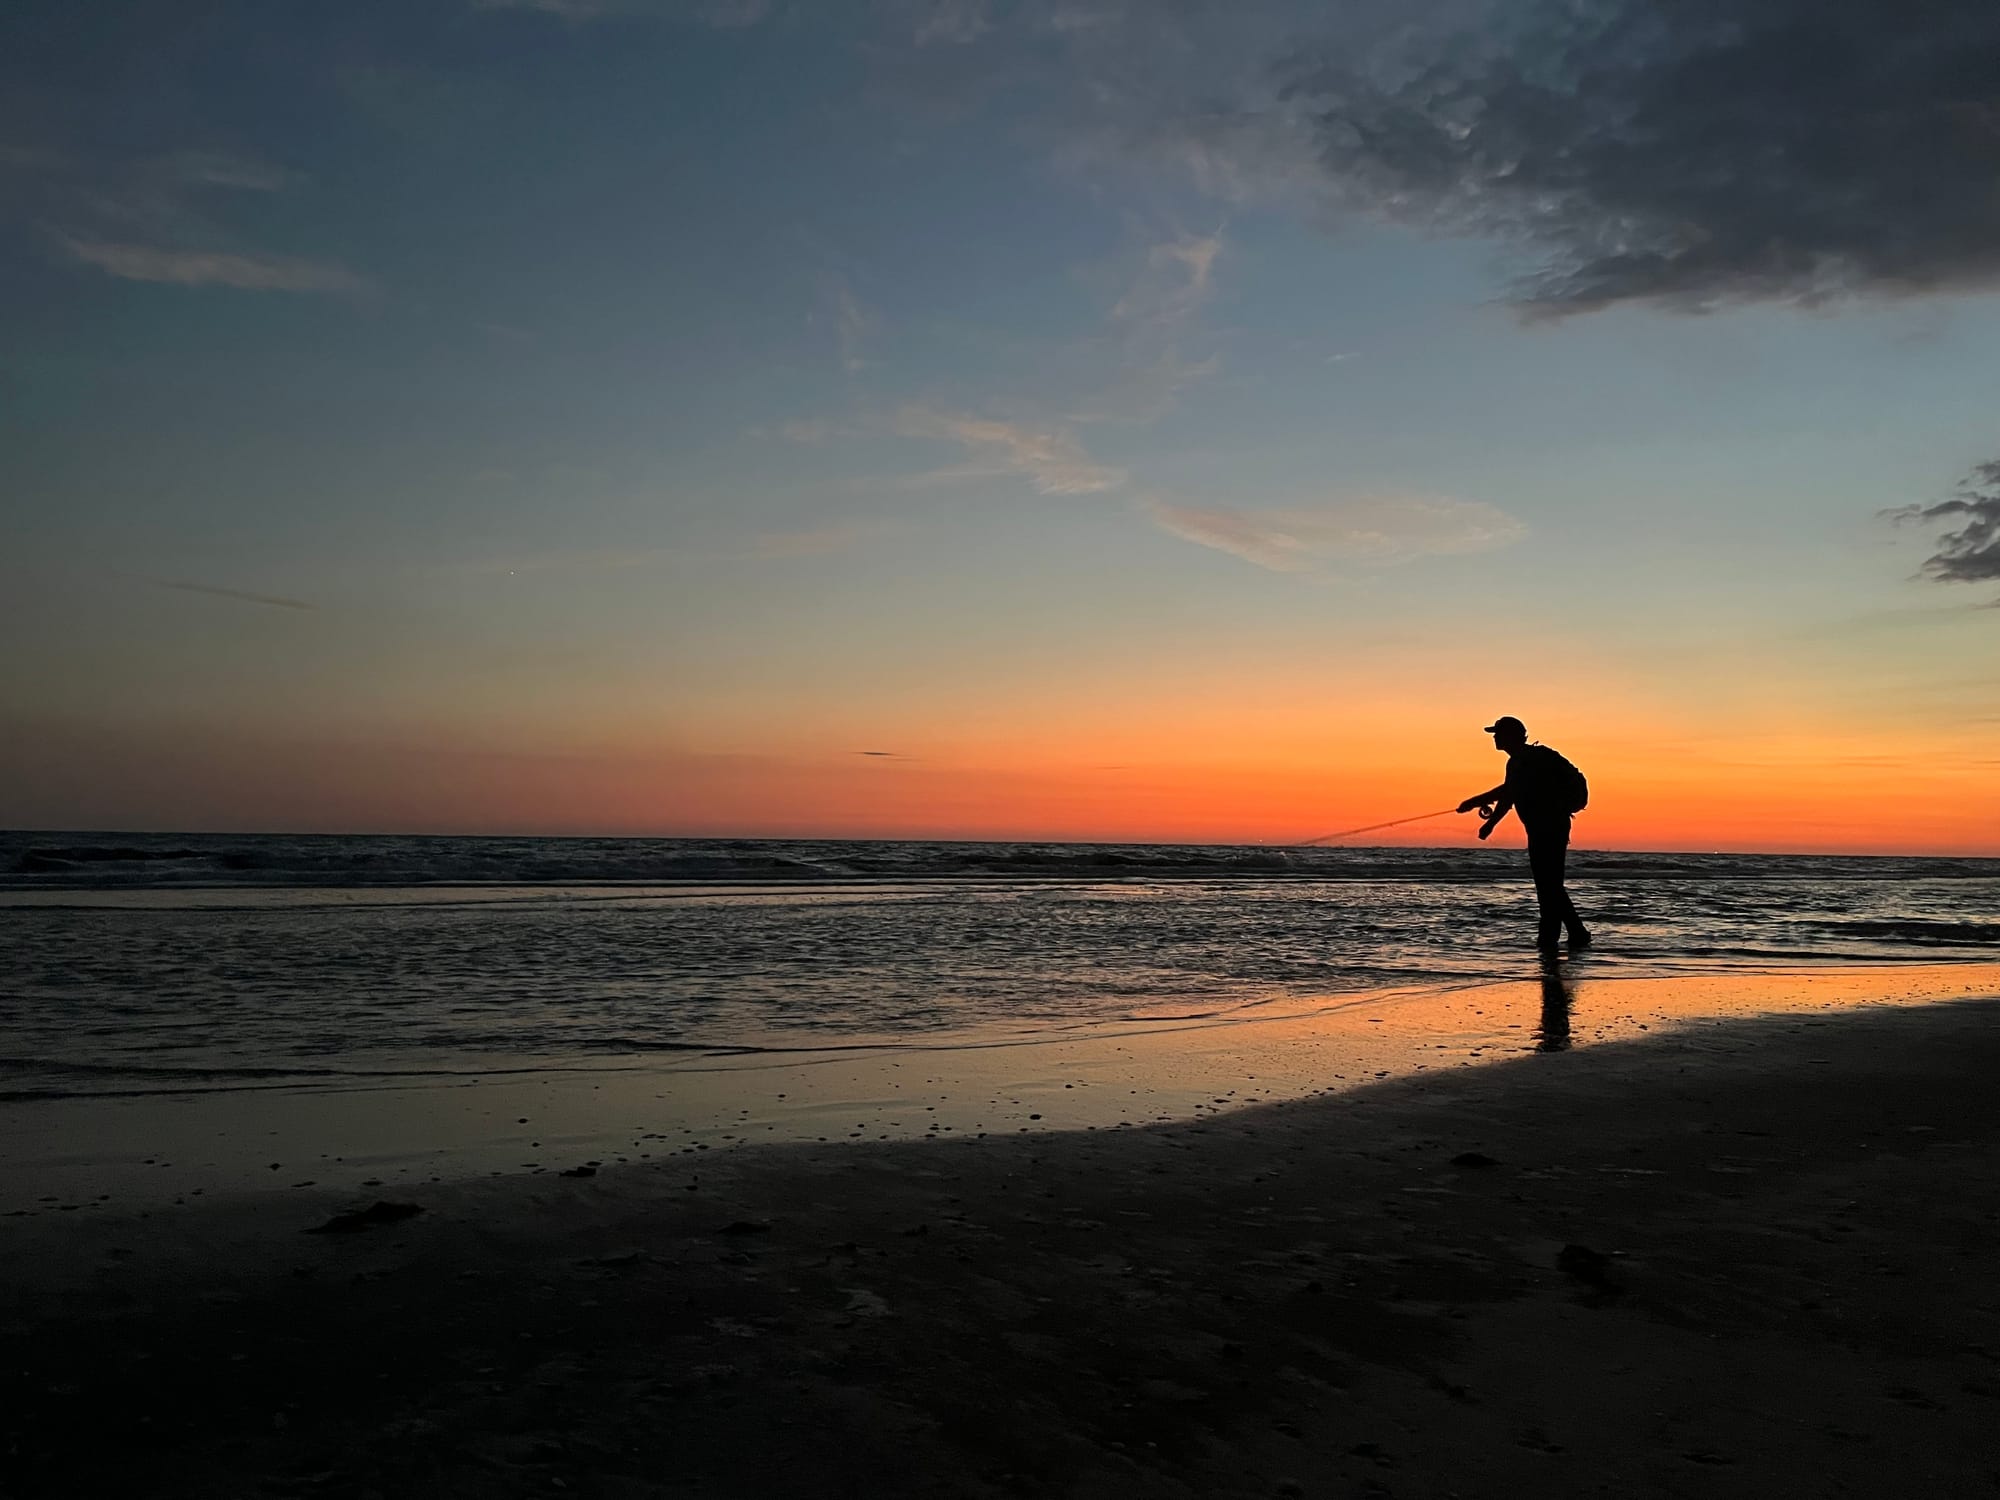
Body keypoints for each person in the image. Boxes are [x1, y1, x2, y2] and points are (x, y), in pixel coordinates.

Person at [1457, 716, 1592, 952]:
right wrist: (1491, 824)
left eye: (1498, 734)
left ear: (1511, 736)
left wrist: (1475, 802)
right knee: (1550, 884)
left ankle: (1551, 938)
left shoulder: (1528, 760)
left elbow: (1509, 791)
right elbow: (1510, 797)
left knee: (1547, 885)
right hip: (1544, 827)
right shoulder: (1520, 762)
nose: (1495, 738)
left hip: (1549, 827)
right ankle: (1574, 932)